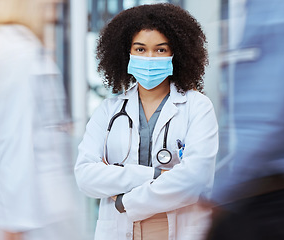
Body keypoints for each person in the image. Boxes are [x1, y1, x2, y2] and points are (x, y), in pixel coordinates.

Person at [75, 3, 218, 240]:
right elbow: (86, 176)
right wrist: (157, 174)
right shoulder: (109, 110)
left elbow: (195, 180)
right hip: (119, 230)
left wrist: (125, 200)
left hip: (175, 227)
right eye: (140, 49)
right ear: (126, 53)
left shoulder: (198, 107)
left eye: (160, 50)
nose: (150, 57)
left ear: (176, 53)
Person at [0, 0, 81, 240]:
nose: (58, 2)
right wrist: (14, 225)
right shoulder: (18, 53)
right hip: (35, 219)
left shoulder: (4, 45)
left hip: (34, 213)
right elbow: (15, 140)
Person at [206, 0, 284, 239]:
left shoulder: (277, 9)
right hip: (252, 196)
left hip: (266, 200)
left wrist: (216, 192)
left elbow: (267, 119)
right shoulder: (247, 11)